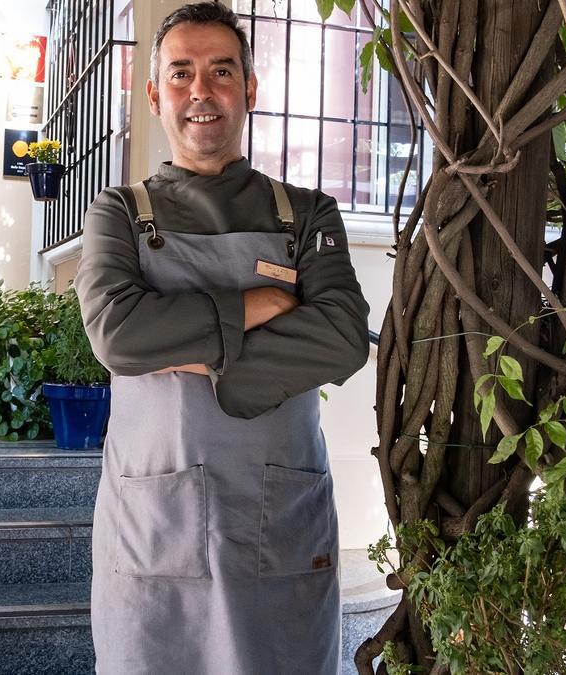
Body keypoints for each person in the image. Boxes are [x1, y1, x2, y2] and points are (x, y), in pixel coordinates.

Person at [73, 2, 371, 673]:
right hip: (155, 529)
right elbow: (119, 334)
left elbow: (343, 336)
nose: (200, 91)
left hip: (281, 526)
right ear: (155, 94)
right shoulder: (120, 213)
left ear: (250, 88)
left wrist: (219, 370)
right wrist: (252, 306)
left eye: (220, 71)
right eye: (180, 74)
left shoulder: (307, 213)